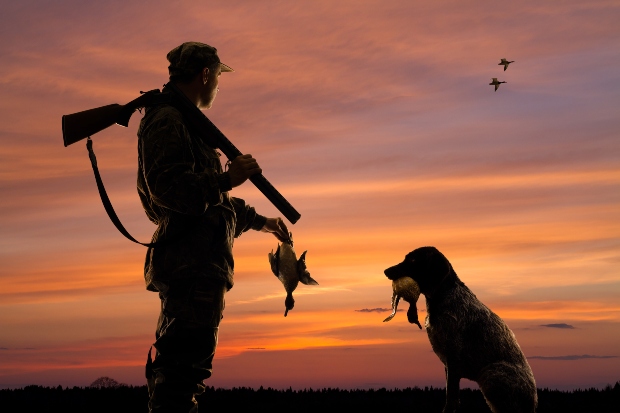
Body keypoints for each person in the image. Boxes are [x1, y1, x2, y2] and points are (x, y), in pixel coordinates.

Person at [137, 41, 289, 413]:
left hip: (200, 267)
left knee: (186, 371)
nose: (219, 84)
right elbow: (168, 192)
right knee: (180, 375)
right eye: (219, 75)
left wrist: (260, 221)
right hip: (191, 270)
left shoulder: (185, 121)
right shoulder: (168, 120)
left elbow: (207, 208)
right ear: (205, 74)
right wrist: (227, 179)